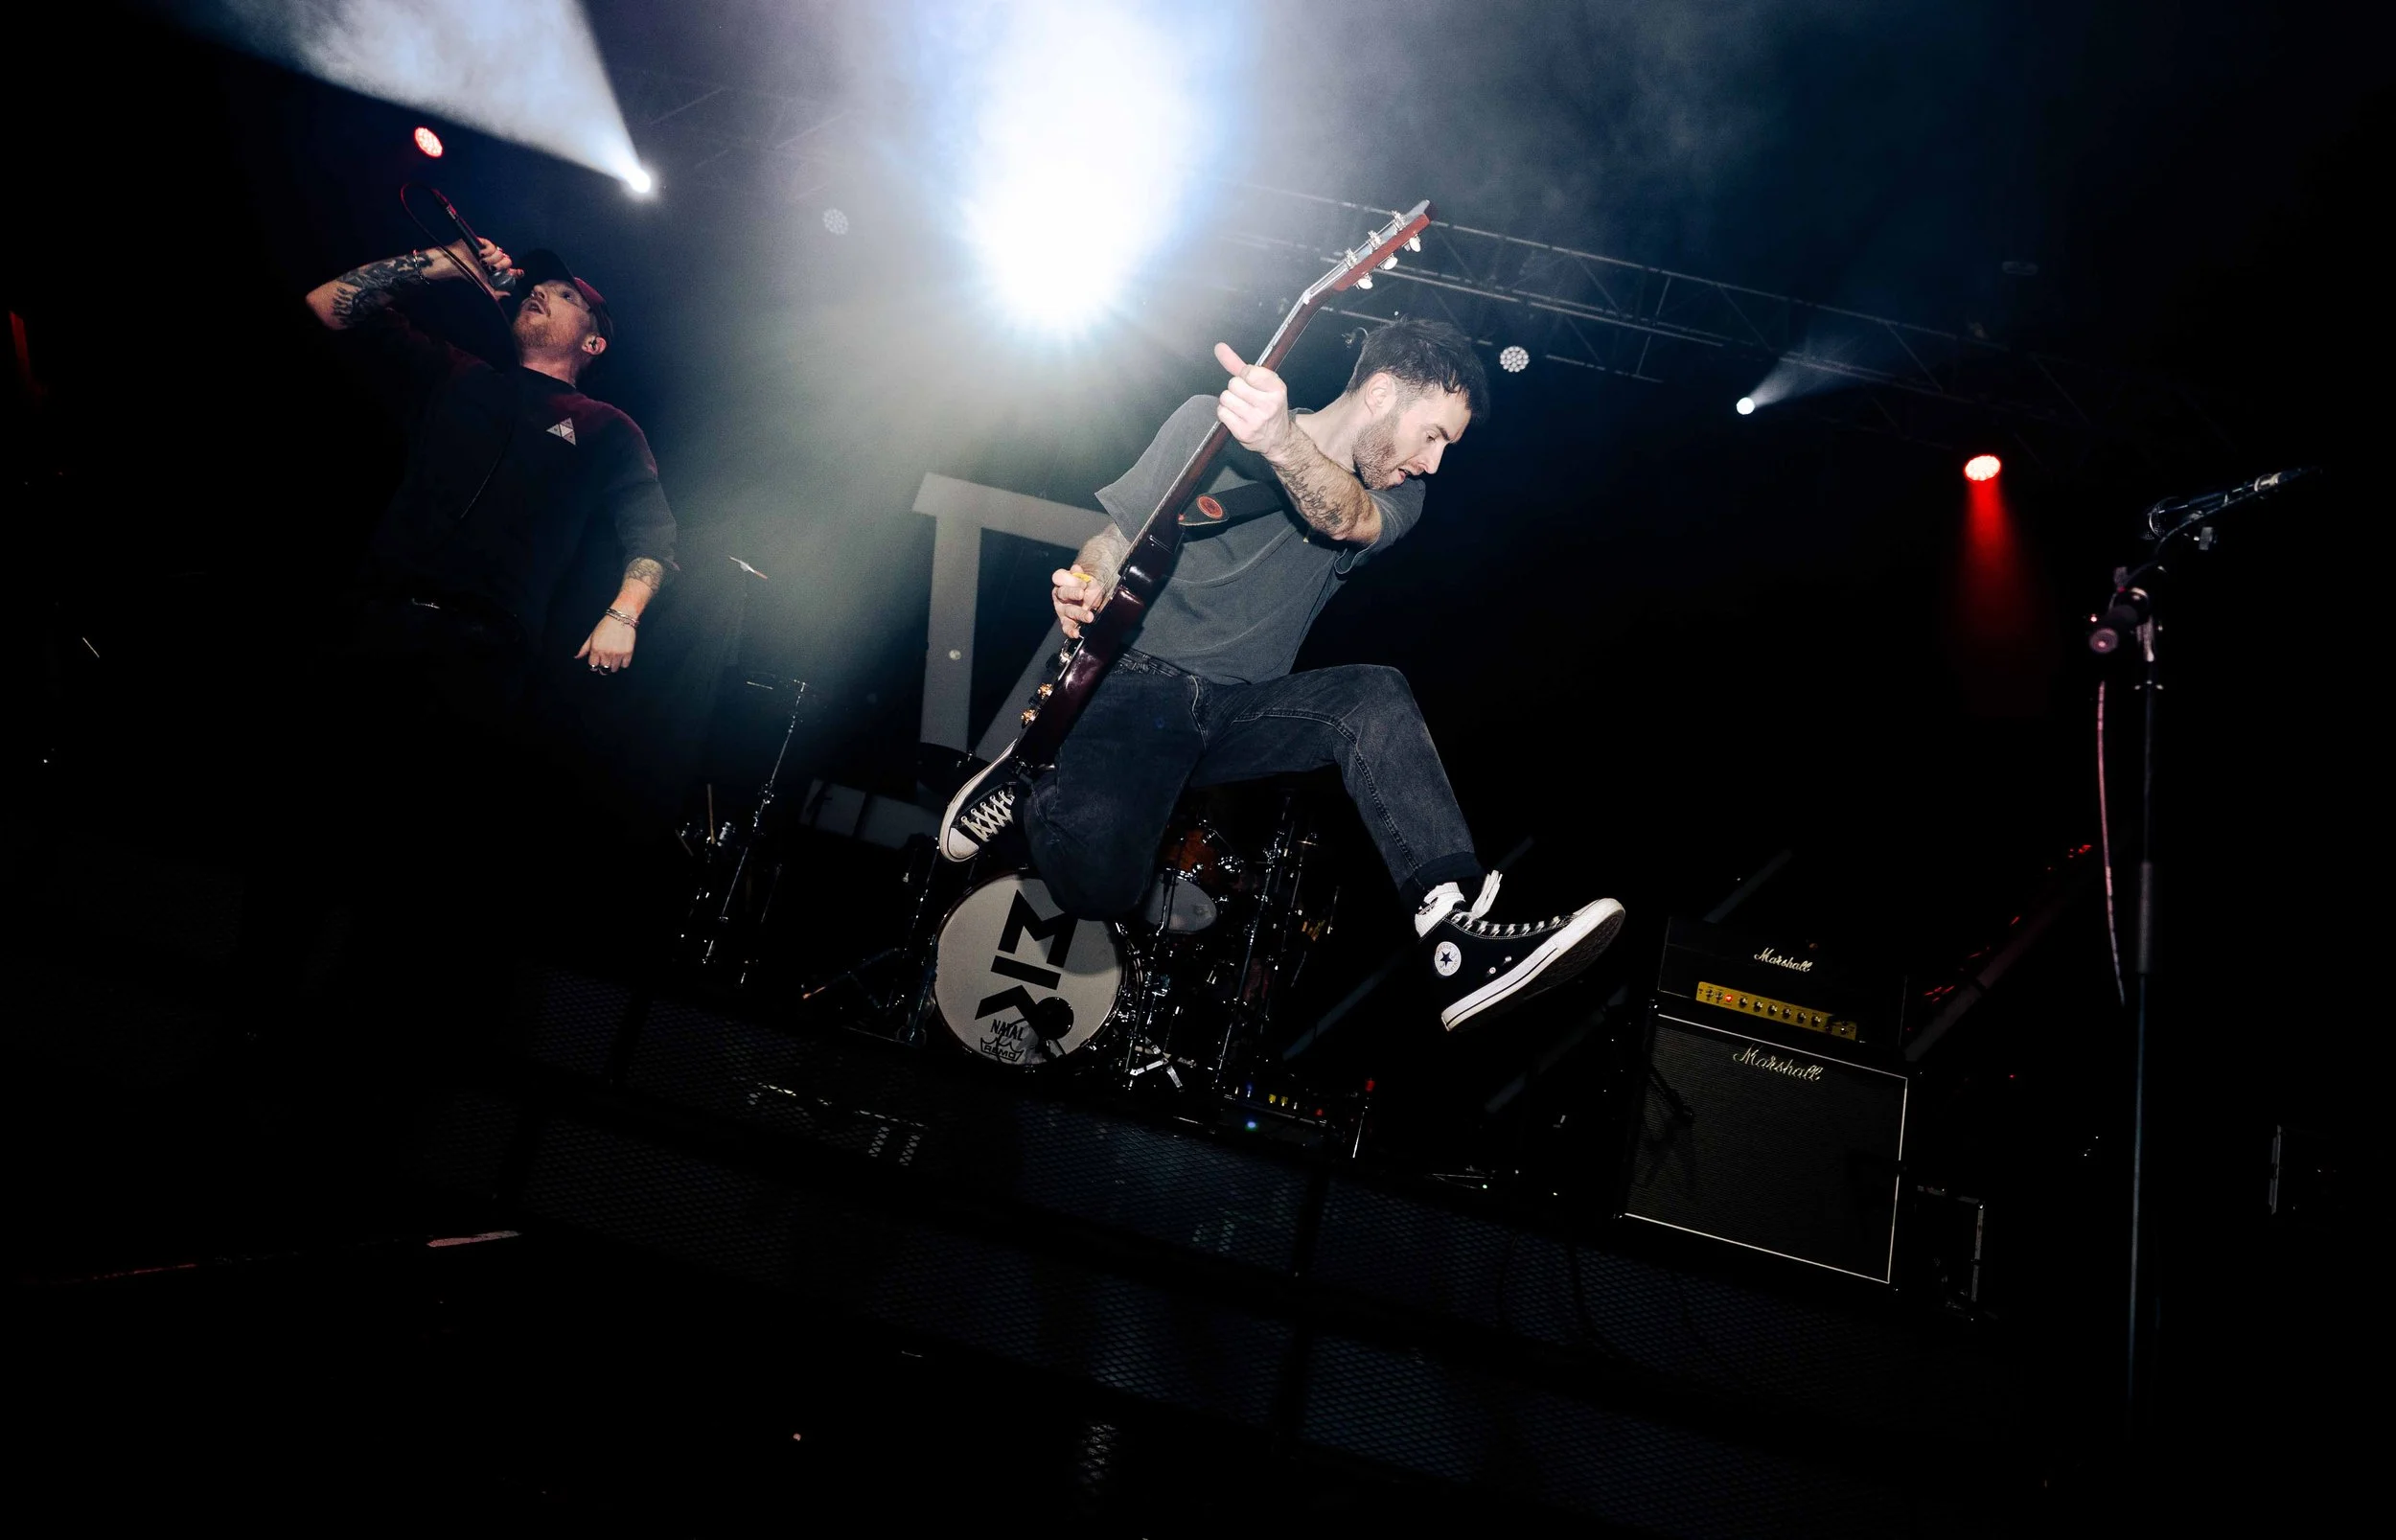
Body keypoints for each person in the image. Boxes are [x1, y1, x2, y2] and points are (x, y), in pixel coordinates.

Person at [941, 319, 1623, 1032]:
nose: (1432, 463)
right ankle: (1033, 774)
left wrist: (1278, 441)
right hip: (1140, 685)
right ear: (1381, 393)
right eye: (1432, 435)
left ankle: (1452, 931)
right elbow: (1116, 539)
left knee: (1373, 695)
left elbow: (1343, 517)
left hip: (1237, 712)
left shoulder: (1396, 498)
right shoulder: (1207, 424)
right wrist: (1087, 581)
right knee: (1101, 889)